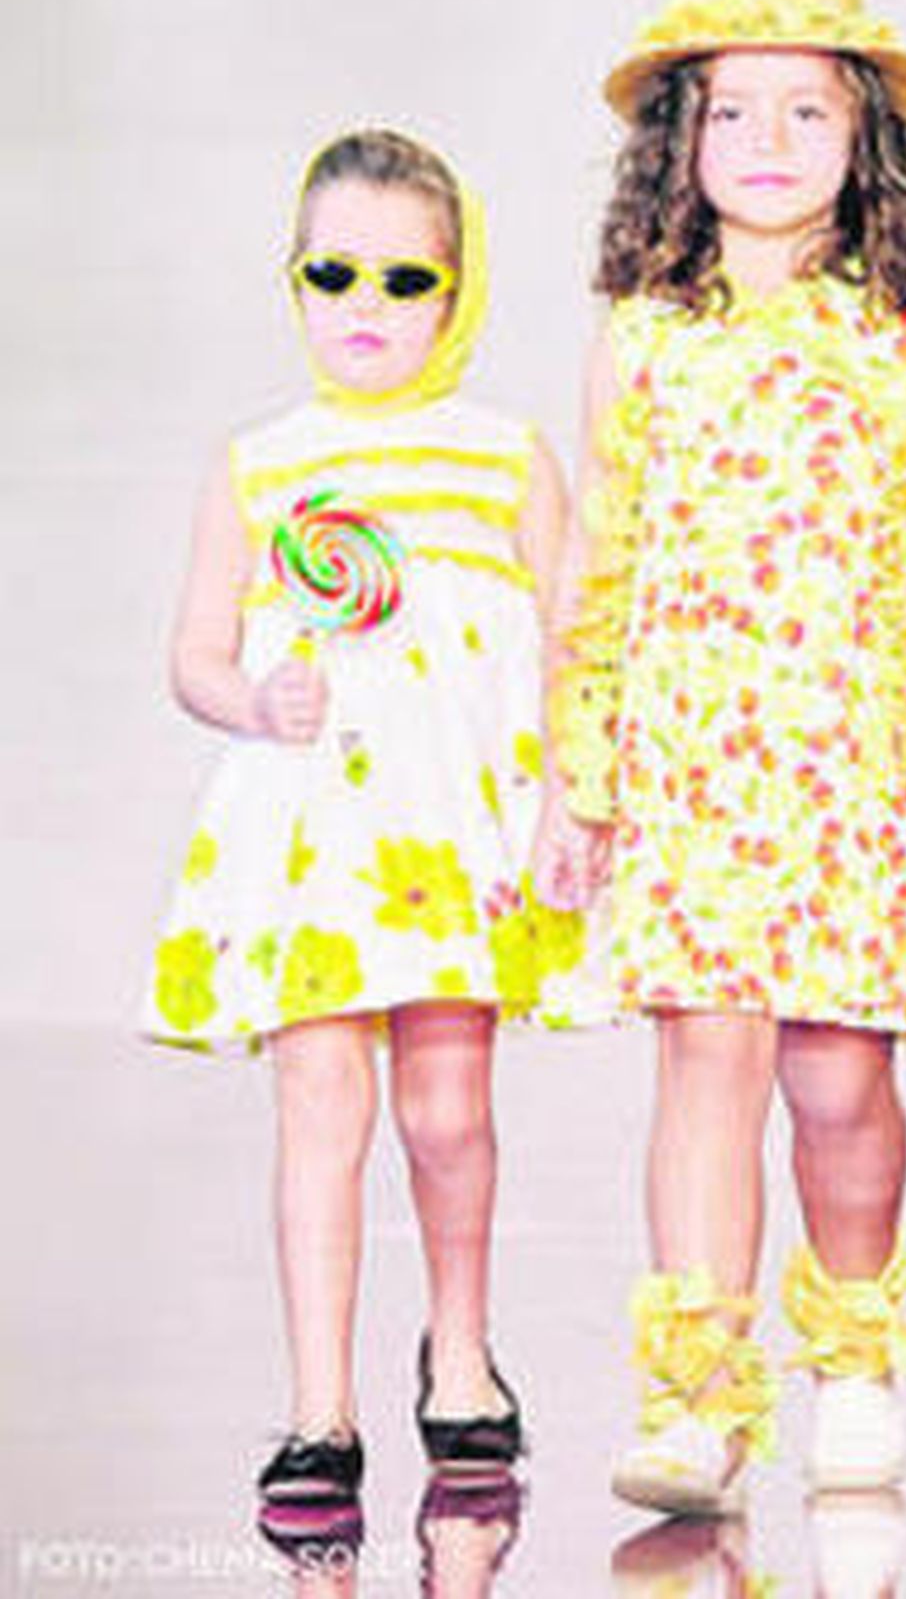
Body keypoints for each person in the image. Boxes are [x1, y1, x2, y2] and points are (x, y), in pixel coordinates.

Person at [536, 0, 906, 1515]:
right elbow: (599, 555)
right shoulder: (643, 331)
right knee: (703, 1066)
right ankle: (698, 1402)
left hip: (844, 749)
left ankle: (855, 1357)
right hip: (686, 747)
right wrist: (580, 769)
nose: (769, 142)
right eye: (733, 112)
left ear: (864, 137)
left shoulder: (902, 326)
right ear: (679, 141)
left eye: (808, 111)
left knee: (837, 1077)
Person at [143, 128, 602, 1510]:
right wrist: (251, 698)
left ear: (458, 294)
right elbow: (195, 653)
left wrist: (573, 800)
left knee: (450, 1112)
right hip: (312, 840)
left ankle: (459, 1352)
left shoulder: (505, 459)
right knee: (319, 1109)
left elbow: (575, 647)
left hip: (454, 836)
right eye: (332, 273)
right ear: (291, 279)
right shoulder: (262, 465)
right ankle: (319, 1407)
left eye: (406, 281)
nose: (365, 306)